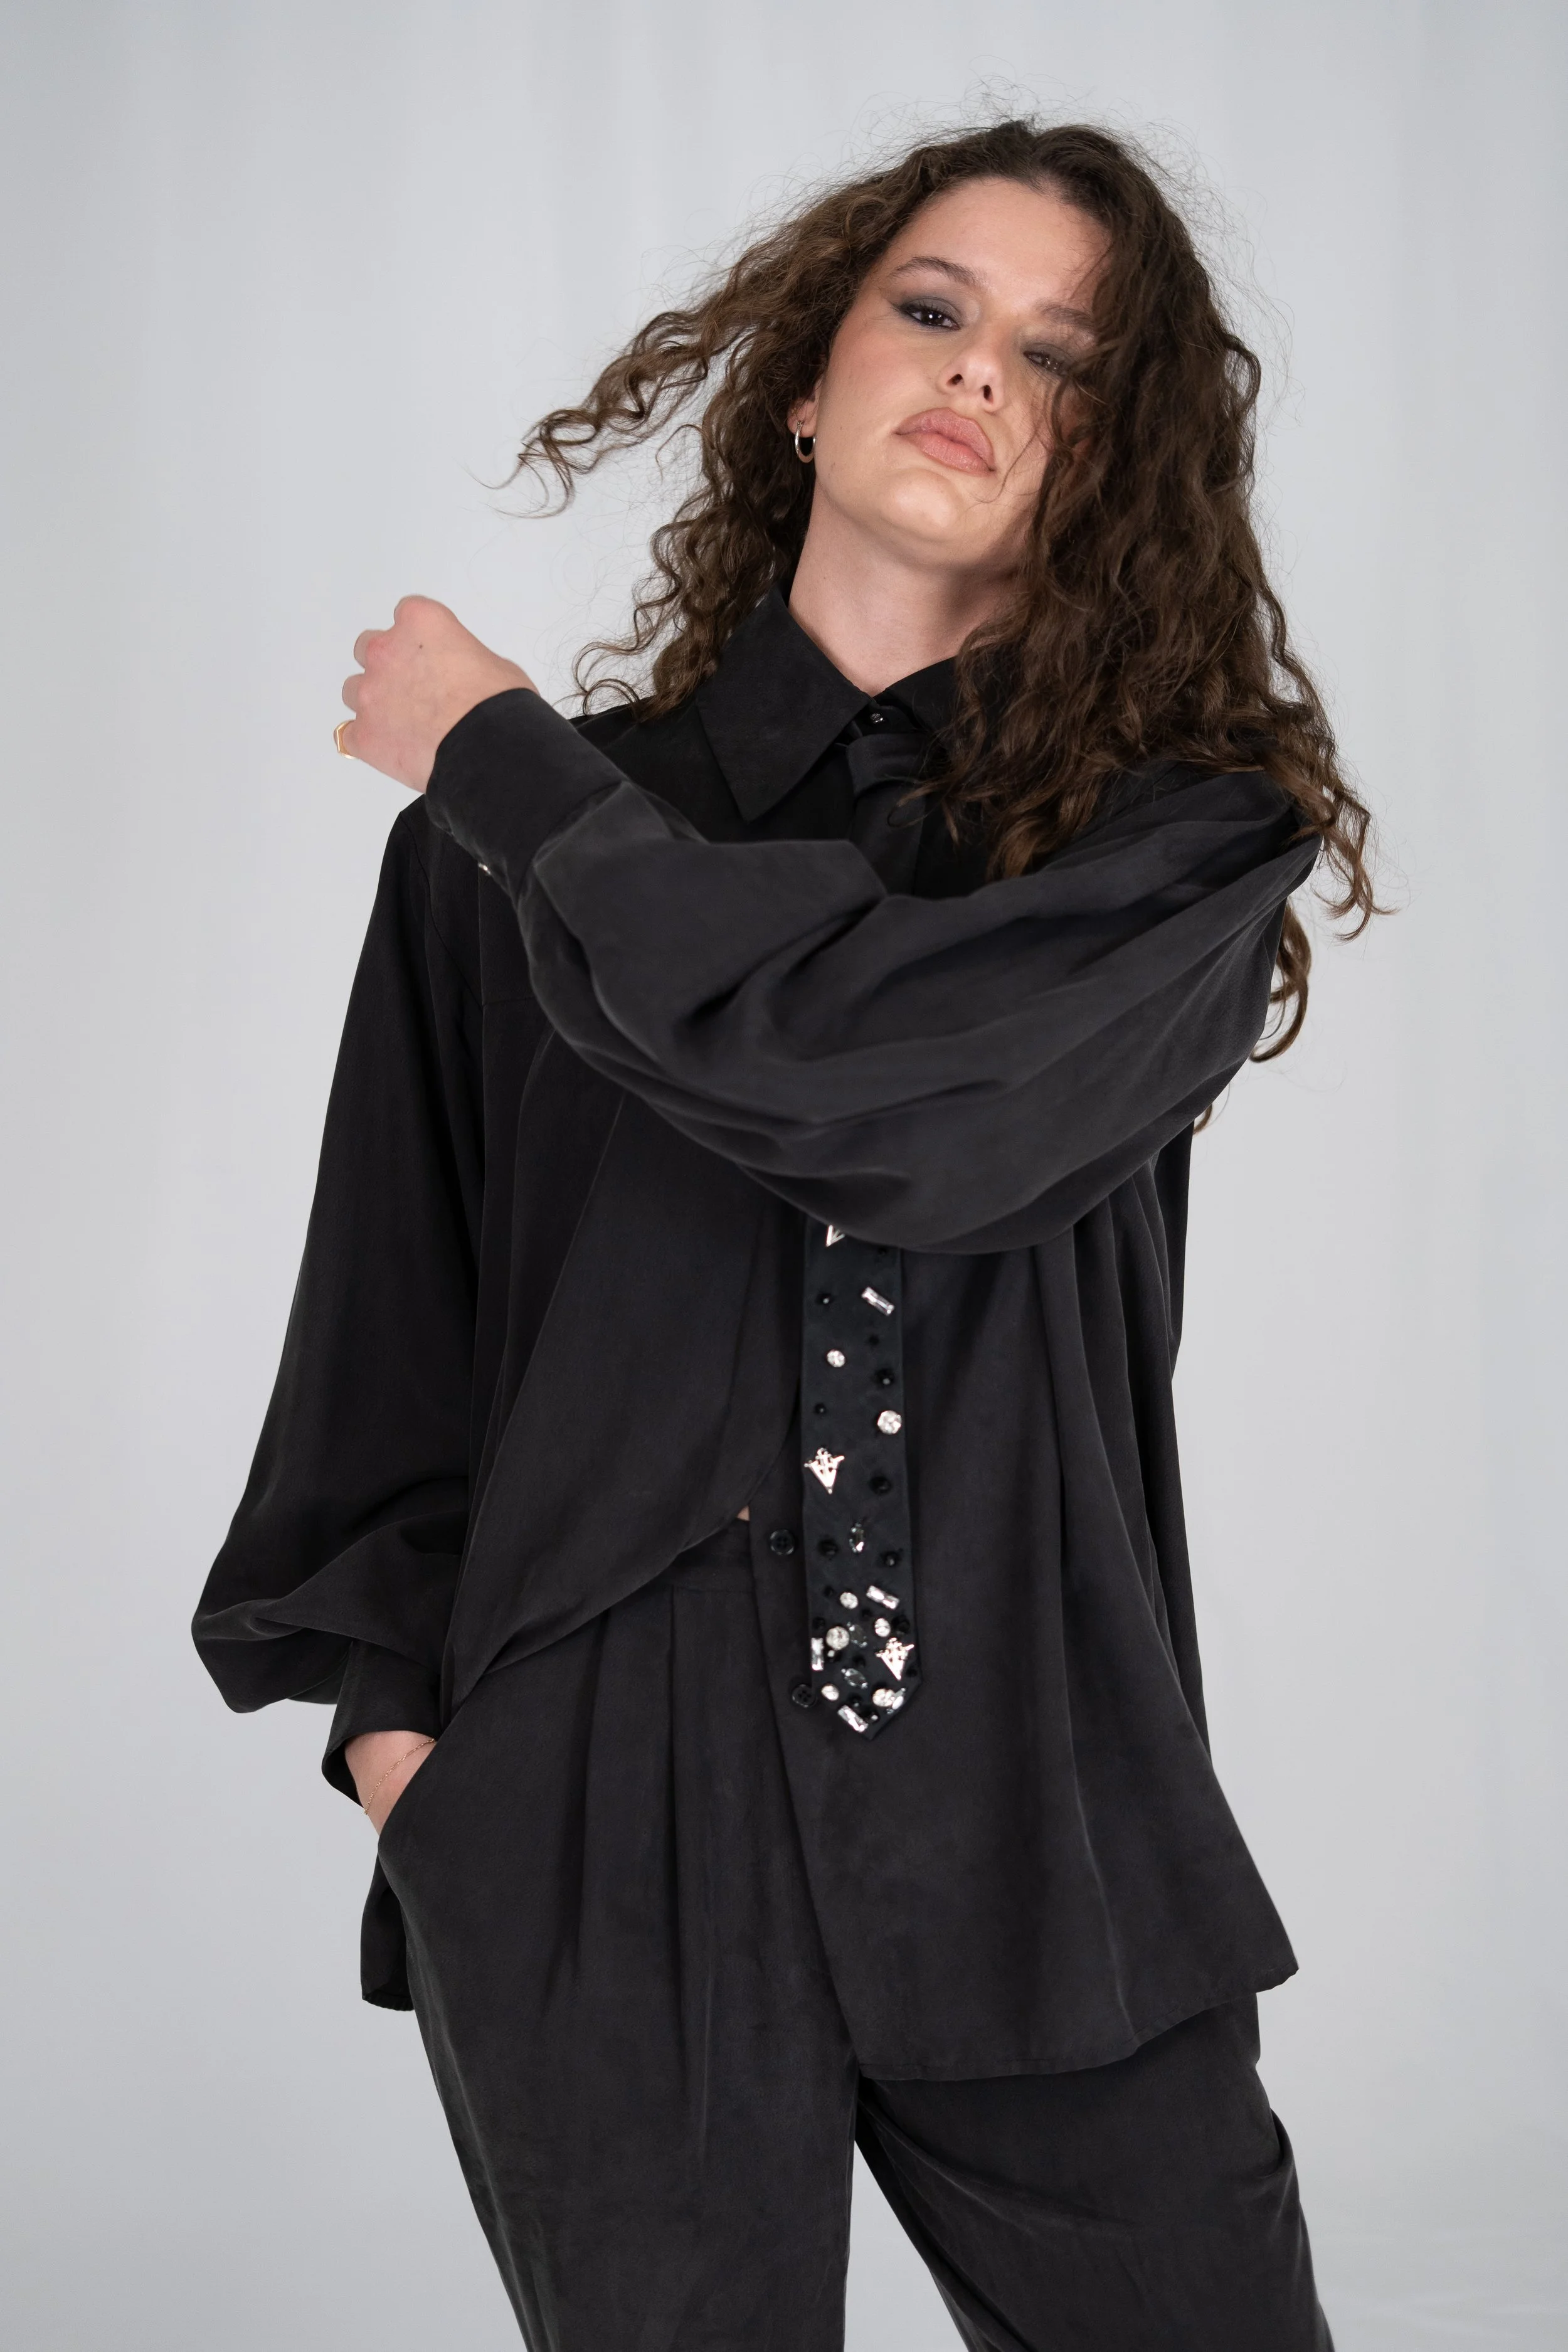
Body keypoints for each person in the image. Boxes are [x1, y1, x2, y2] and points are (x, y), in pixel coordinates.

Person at [194, 118, 1376, 2351]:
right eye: (932, 309)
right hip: (588, 1816)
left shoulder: (1177, 855)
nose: (982, 376)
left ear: (1109, 472)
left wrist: (512, 771)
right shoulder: (494, 848)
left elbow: (879, 1099)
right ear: (808, 383)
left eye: (1066, 364)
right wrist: (419, 1763)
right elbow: (392, 1349)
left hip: (1044, 1787)